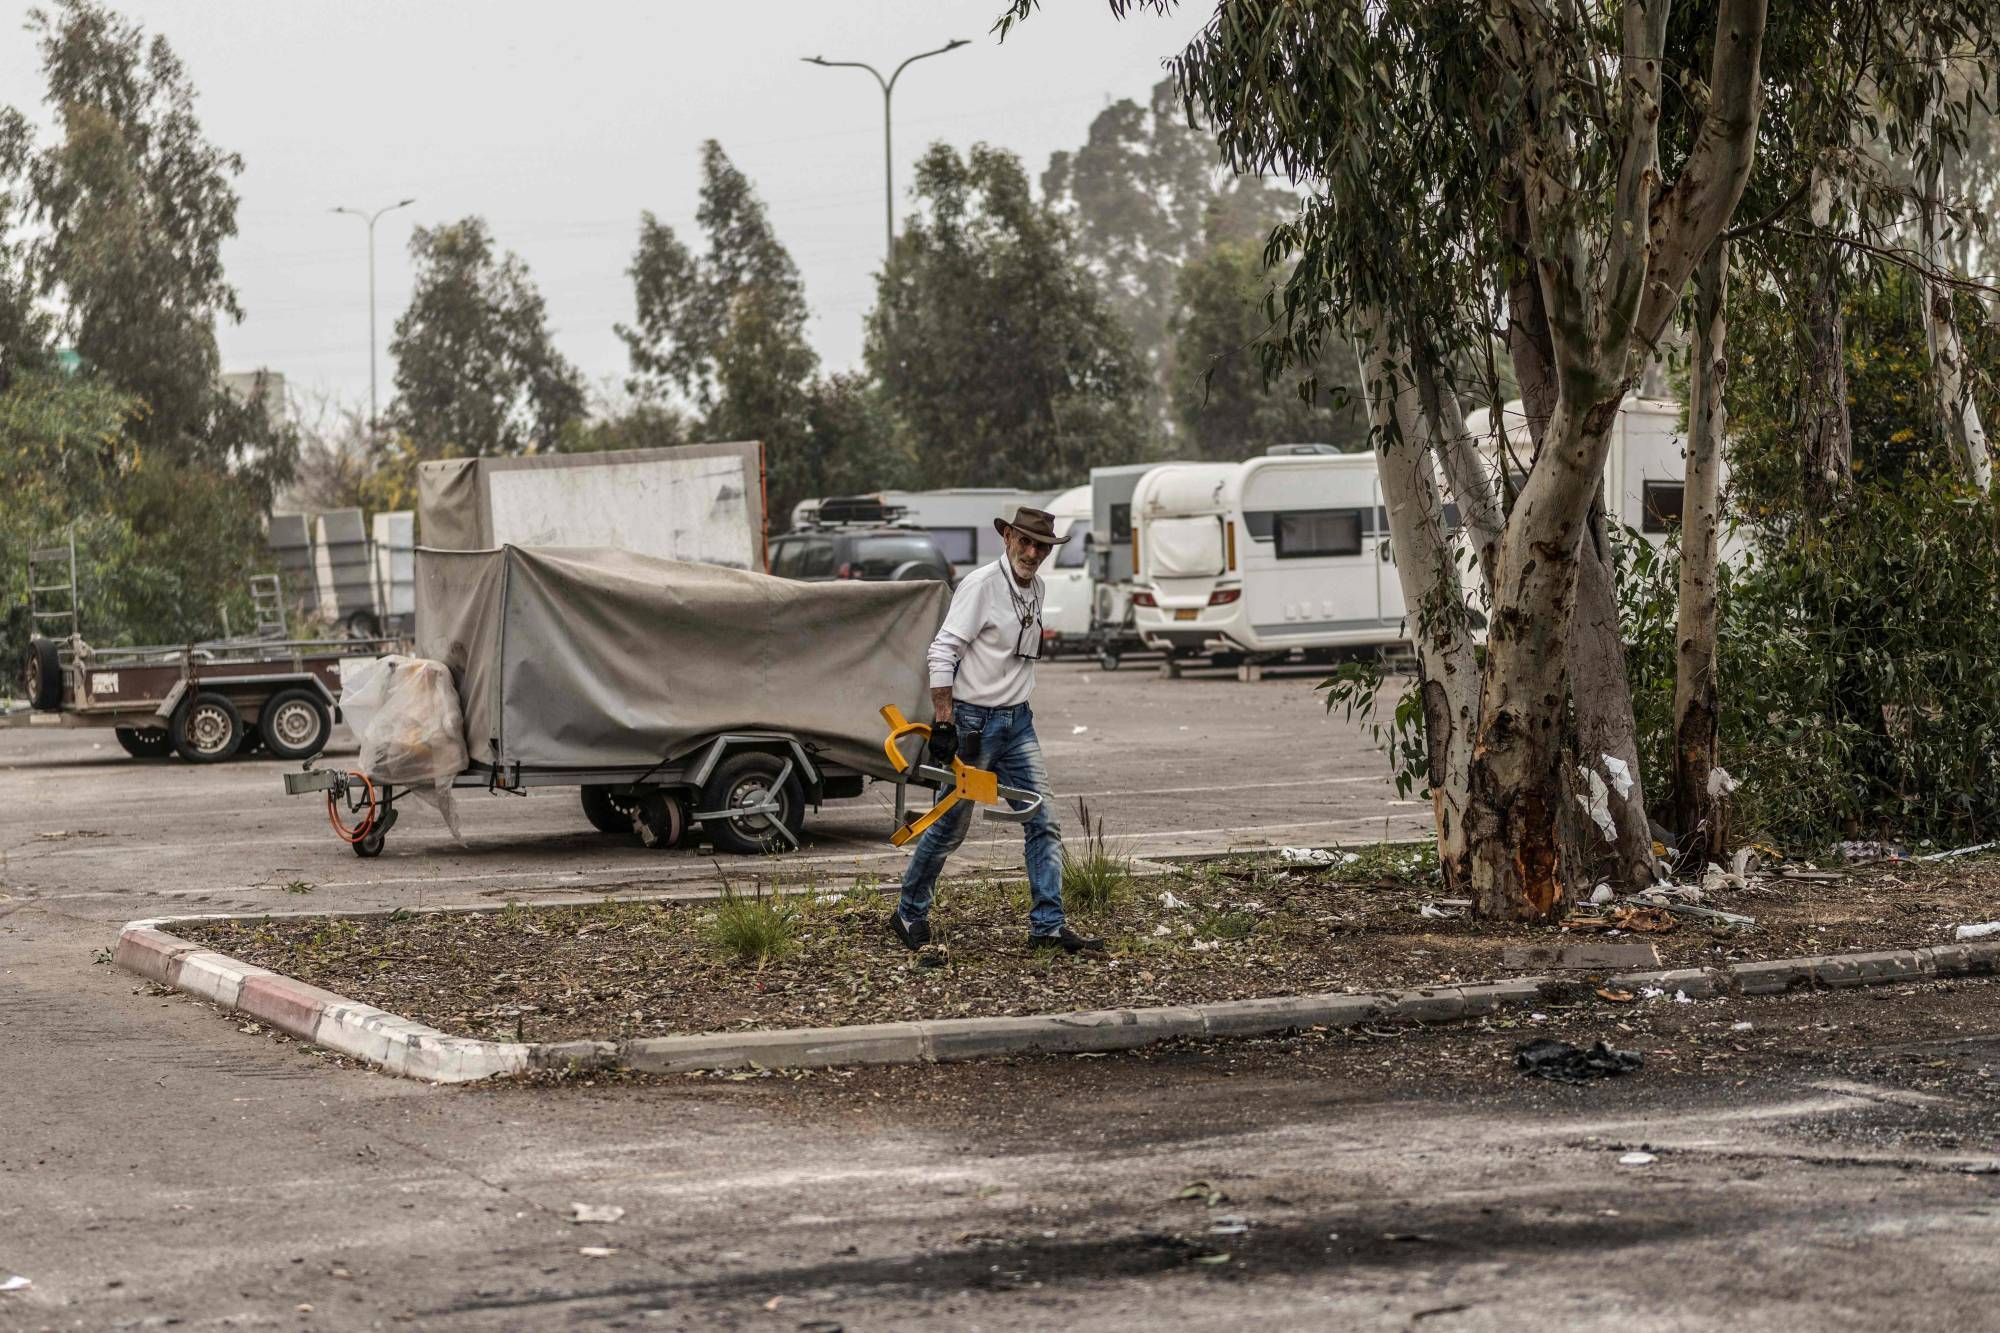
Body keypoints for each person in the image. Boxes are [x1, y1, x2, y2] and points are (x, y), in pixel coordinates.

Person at [887, 504, 1105, 955]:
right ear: (1007, 538)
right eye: (1025, 541)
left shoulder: (1036, 587)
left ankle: (1047, 926)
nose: (1032, 552)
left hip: (1017, 722)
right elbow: (942, 651)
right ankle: (909, 911)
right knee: (949, 827)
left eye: (1041, 546)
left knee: (1042, 820)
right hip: (974, 723)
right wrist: (944, 720)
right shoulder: (981, 585)